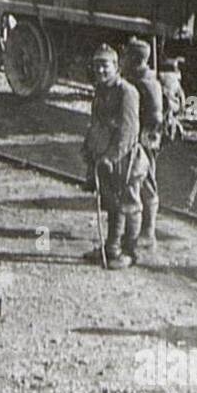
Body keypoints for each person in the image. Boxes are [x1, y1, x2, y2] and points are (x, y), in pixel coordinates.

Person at [82, 45, 146, 268]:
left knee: (129, 203)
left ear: (116, 67)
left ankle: (130, 252)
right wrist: (89, 150)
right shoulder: (101, 89)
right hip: (106, 158)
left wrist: (111, 156)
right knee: (112, 202)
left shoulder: (126, 92)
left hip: (125, 159)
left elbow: (128, 131)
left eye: (105, 65)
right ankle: (111, 248)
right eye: (97, 65)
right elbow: (96, 123)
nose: (100, 70)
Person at [122, 39, 164, 253]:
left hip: (145, 140)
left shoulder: (147, 83)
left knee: (146, 182)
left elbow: (156, 116)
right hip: (139, 138)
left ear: (135, 59)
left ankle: (148, 233)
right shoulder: (139, 78)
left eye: (127, 56)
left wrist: (142, 140)